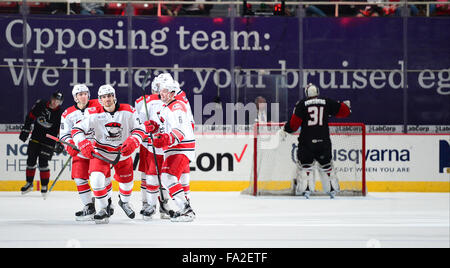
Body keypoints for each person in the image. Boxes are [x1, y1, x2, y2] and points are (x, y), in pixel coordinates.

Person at [72, 85, 146, 224]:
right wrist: (82, 143)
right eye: (104, 97)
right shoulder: (92, 112)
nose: (107, 99)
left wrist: (133, 141)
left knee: (127, 184)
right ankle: (103, 209)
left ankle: (124, 202)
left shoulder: (128, 110)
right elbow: (76, 130)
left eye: (110, 96)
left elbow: (140, 129)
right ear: (99, 99)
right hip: (101, 153)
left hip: (122, 153)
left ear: (114, 96)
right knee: (96, 180)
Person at [278, 83, 351, 199]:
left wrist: (285, 129)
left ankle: (306, 189)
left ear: (307, 93)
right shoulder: (326, 102)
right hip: (324, 141)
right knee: (326, 165)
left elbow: (294, 125)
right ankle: (332, 189)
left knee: (306, 166)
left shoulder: (301, 104)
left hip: (307, 142)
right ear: (317, 92)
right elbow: (344, 112)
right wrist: (346, 106)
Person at [144, 80, 196, 222]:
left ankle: (187, 210)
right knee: (167, 178)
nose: (162, 93)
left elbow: (179, 132)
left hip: (181, 148)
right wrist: (154, 127)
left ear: (173, 93)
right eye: (161, 90)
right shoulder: (166, 107)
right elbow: (164, 128)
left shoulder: (177, 107)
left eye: (166, 91)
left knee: (168, 177)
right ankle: (184, 208)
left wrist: (165, 139)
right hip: (174, 148)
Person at [60, 84, 112, 221]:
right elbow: (64, 134)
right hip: (80, 150)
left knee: (103, 177)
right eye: (80, 94)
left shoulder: (98, 106)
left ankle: (107, 203)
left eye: (85, 93)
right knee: (79, 178)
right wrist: (70, 145)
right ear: (75, 97)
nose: (83, 96)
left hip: (99, 148)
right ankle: (89, 206)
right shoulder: (68, 114)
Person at [135, 75, 171, 220]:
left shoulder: (176, 101)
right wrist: (145, 128)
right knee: (148, 174)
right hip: (148, 144)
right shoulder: (145, 101)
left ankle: (164, 203)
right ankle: (147, 203)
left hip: (166, 143)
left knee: (165, 175)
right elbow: (139, 122)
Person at [19, 91, 64, 198]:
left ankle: (44, 186)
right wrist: (26, 128)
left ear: (60, 102)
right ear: (51, 98)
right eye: (54, 100)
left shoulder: (60, 113)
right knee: (31, 160)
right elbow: (30, 116)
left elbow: (61, 129)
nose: (55, 102)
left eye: (58, 101)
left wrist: (60, 141)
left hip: (49, 140)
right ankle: (29, 183)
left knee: (43, 162)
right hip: (36, 136)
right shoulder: (41, 104)